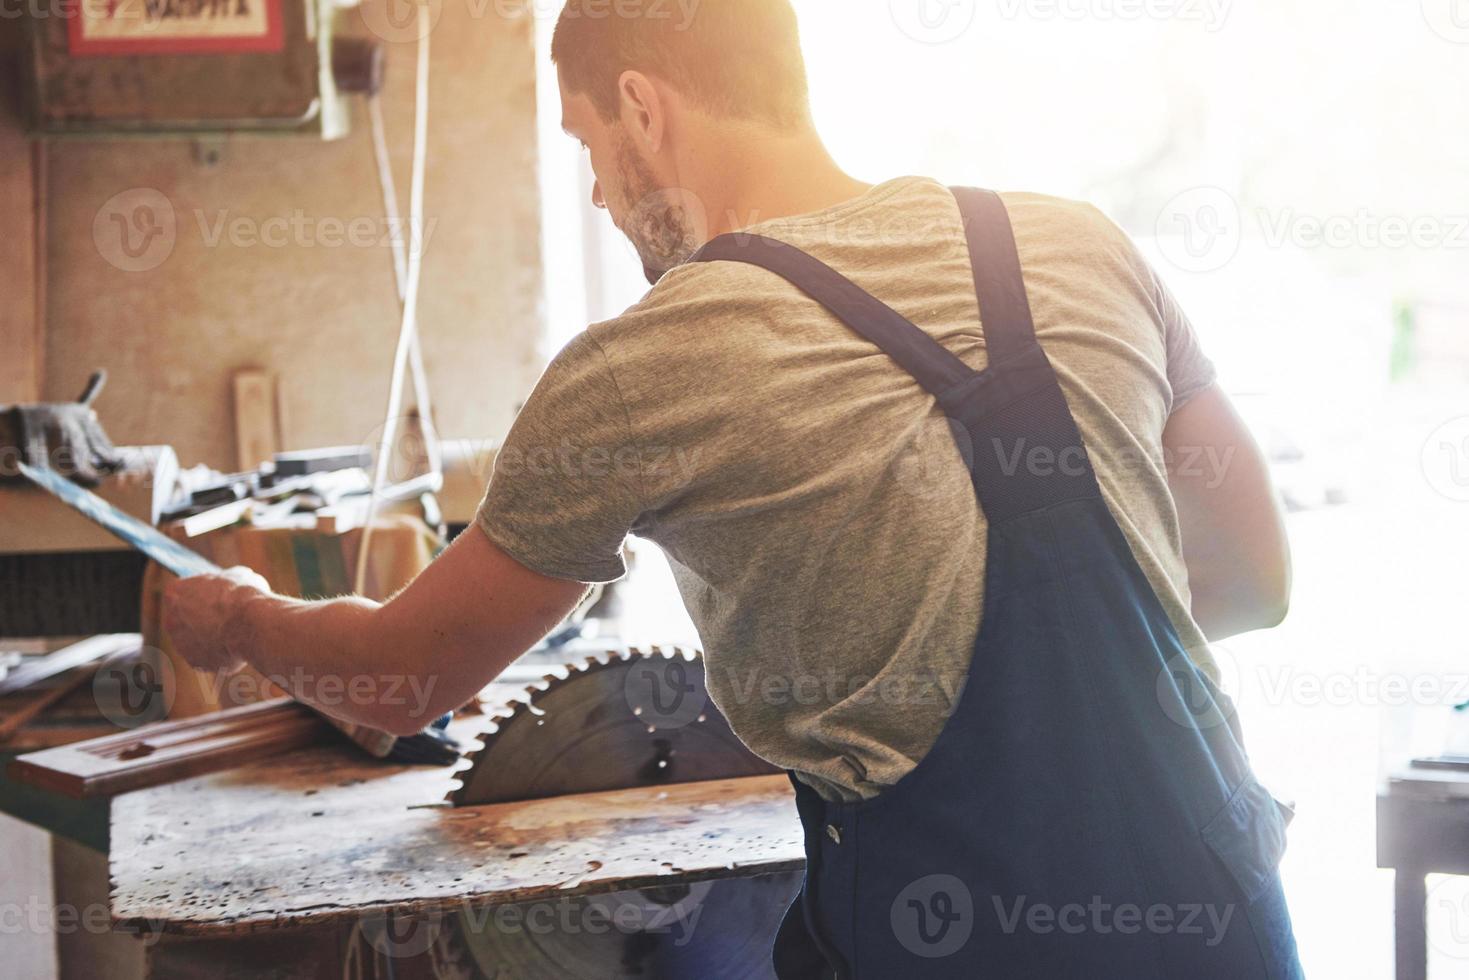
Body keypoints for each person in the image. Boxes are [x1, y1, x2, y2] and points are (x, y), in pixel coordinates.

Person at [165, 1, 1301, 974]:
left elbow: (398, 681)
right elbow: (1252, 583)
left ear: (643, 109)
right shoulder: (1083, 243)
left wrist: (233, 616)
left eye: (588, 145)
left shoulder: (642, 364)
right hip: (1220, 913)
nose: (604, 198)